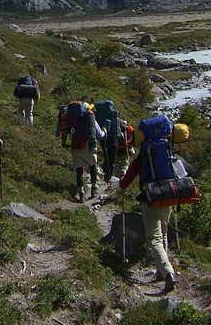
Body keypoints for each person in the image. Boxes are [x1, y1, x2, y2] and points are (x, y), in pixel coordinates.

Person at [119, 118, 190, 294]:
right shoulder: (168, 152)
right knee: (164, 234)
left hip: (150, 199)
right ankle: (161, 271)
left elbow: (124, 183)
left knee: (155, 239)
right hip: (168, 197)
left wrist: (120, 184)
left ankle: (168, 274)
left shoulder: (142, 157)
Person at [58, 101, 106, 202]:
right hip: (87, 146)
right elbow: (99, 134)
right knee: (93, 166)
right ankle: (94, 189)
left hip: (74, 146)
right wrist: (105, 131)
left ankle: (81, 193)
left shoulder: (69, 117)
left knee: (79, 171)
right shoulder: (88, 117)